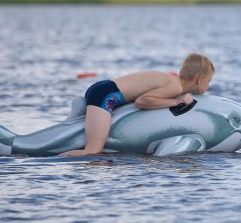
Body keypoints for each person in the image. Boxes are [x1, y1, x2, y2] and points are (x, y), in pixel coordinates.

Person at [57, 53, 215, 157]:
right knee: (93, 150)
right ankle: (49, 162)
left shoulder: (174, 83)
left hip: (104, 89)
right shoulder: (176, 87)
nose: (208, 86)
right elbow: (143, 101)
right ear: (200, 79)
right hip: (106, 96)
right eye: (209, 81)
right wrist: (176, 101)